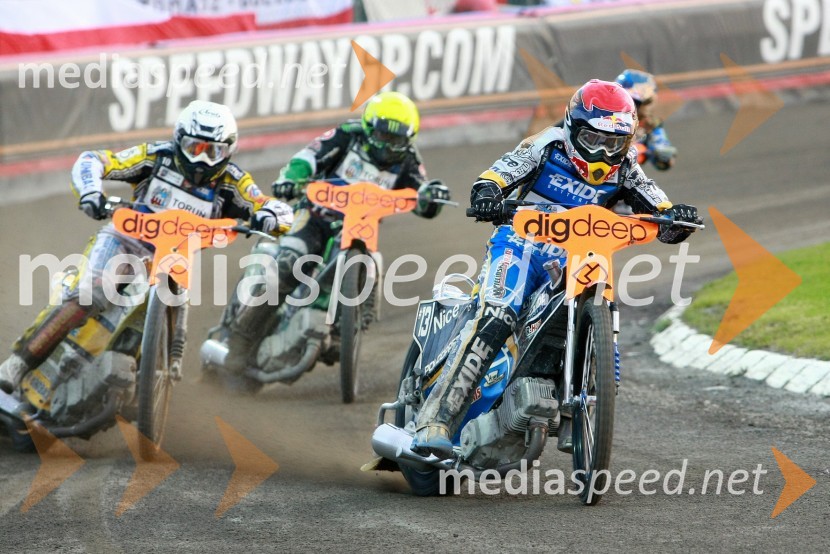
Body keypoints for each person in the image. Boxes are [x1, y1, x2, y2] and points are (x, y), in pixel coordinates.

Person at [411, 79, 701, 458]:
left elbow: (657, 205)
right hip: (519, 245)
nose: (602, 153)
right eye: (594, 140)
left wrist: (675, 218)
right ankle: (437, 418)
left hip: (575, 255)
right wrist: (488, 194)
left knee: (598, 296)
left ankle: (576, 400)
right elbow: (497, 174)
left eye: (613, 144)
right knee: (498, 313)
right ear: (573, 126)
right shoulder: (546, 144)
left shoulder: (626, 167)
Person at [0, 100, 293, 393]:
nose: (203, 161)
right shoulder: (155, 156)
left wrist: (269, 216)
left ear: (229, 151)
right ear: (178, 141)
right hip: (125, 241)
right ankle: (18, 364)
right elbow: (95, 160)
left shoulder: (233, 182)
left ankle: (144, 381)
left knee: (151, 322)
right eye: (195, 148)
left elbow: (273, 207)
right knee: (90, 294)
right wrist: (91, 192)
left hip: (174, 260)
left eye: (214, 151)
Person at [219, 91, 451, 375]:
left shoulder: (409, 160)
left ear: (410, 139)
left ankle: (348, 324)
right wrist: (291, 180)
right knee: (290, 261)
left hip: (357, 230)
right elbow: (307, 158)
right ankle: (241, 342)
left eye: (397, 141)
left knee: (370, 262)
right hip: (315, 216)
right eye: (383, 136)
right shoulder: (346, 135)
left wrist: (432, 197)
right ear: (368, 128)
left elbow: (421, 197)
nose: (389, 147)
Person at [615, 69, 677, 171]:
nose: (648, 107)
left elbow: (666, 160)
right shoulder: (608, 118)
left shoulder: (649, 124)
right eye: (645, 102)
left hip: (624, 176)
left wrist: (661, 153)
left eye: (648, 102)